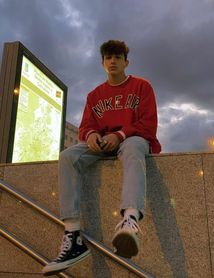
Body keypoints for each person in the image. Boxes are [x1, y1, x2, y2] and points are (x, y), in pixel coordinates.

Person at [42, 40, 161, 275]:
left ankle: (130, 220)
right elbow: (86, 126)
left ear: (126, 62)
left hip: (131, 138)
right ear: (103, 63)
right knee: (67, 156)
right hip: (103, 142)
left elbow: (148, 124)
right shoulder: (94, 95)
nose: (113, 61)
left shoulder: (141, 86)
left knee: (134, 147)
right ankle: (73, 235)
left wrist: (120, 134)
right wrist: (93, 134)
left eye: (118, 57)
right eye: (108, 57)